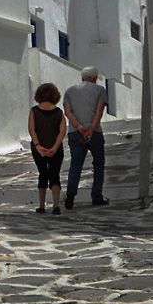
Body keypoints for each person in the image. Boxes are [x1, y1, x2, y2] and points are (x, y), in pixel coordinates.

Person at [63, 66, 109, 209]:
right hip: (94, 133)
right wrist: (91, 129)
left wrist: (79, 127)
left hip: (75, 133)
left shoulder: (69, 91)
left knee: (75, 165)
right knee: (99, 165)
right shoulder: (100, 90)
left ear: (82, 77)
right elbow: (99, 112)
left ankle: (70, 197)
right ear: (95, 78)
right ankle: (96, 196)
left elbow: (68, 112)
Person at [28, 83, 67, 215]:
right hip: (55, 148)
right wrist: (55, 147)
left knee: (42, 174)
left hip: (38, 148)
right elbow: (62, 131)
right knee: (55, 175)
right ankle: (56, 205)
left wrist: (38, 146)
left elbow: (32, 129)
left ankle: (41, 205)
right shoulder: (59, 112)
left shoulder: (34, 111)